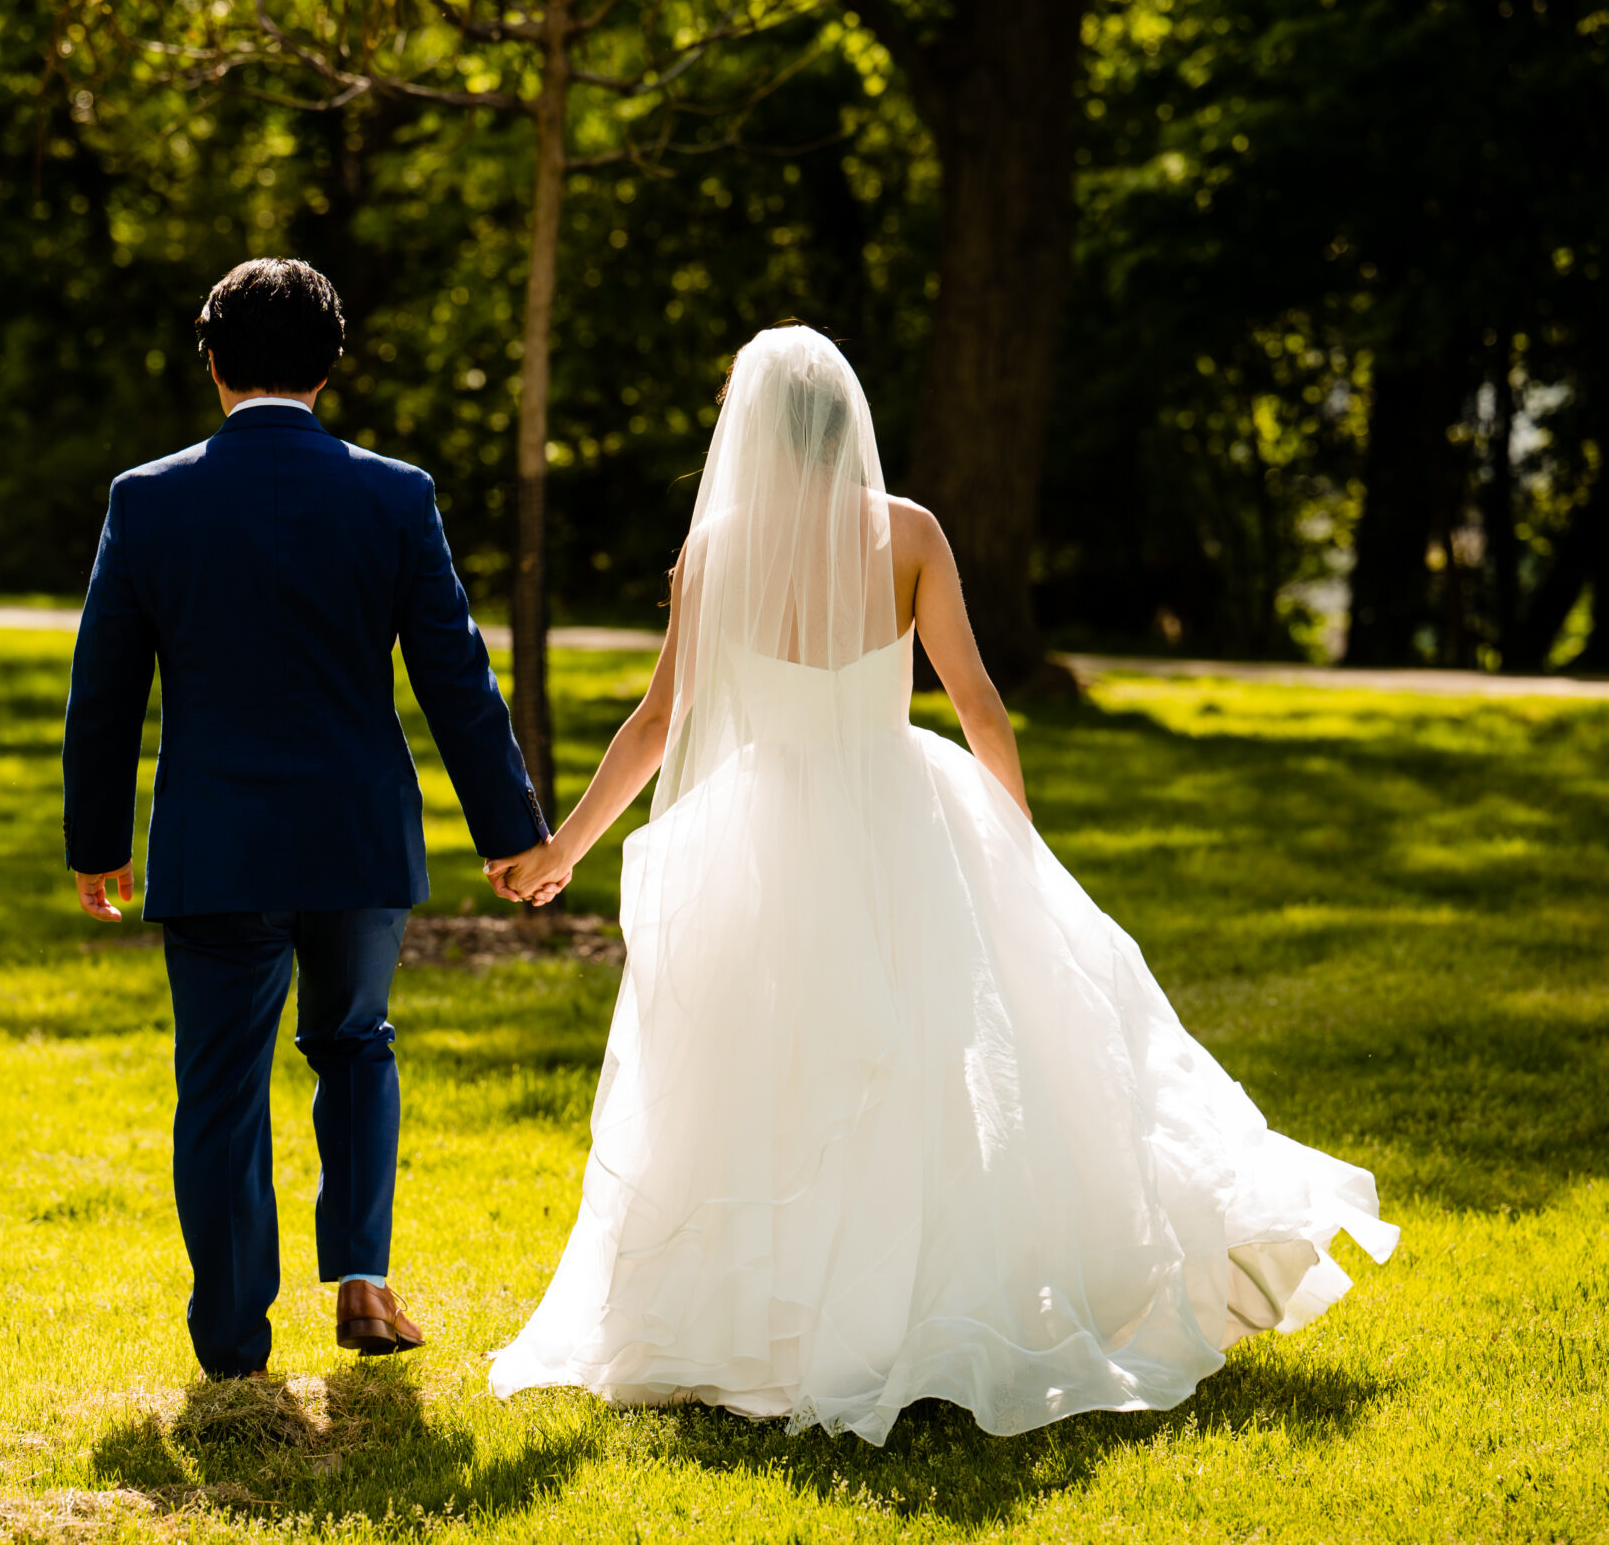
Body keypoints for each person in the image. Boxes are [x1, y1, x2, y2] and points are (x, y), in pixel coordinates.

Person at [485, 325, 1397, 1444]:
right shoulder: (907, 532)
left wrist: (565, 845)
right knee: (936, 1058)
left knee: (773, 1067)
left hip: (766, 830)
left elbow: (660, 719)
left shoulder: (716, 548)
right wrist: (1012, 836)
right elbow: (974, 697)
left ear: (752, 432)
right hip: (901, 809)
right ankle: (924, 1295)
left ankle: (779, 1321)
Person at [62, 258, 553, 1381]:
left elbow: (105, 691)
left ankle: (234, 1344)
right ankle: (365, 1277)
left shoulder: (148, 497)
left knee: (221, 1084)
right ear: (332, 365)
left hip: (216, 839)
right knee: (355, 1044)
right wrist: (510, 828)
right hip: (355, 834)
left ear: (212, 358)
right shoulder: (393, 493)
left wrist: (98, 842)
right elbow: (456, 678)